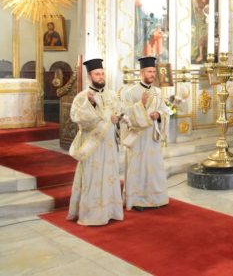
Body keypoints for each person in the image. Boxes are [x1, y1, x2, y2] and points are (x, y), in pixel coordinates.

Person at [67, 58, 124, 226]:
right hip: (93, 146)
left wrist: (117, 119)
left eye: (102, 73)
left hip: (110, 145)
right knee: (92, 179)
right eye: (97, 74)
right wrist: (90, 103)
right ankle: (91, 215)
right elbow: (75, 117)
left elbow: (119, 113)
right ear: (89, 76)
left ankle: (110, 211)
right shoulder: (81, 97)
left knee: (110, 178)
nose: (101, 76)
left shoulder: (112, 95)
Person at [121, 56, 169, 211]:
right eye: (149, 71)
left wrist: (159, 115)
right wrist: (140, 104)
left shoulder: (158, 92)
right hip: (138, 137)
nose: (152, 74)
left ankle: (155, 199)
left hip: (152, 136)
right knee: (138, 168)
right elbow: (125, 114)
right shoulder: (130, 92)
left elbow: (165, 110)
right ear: (141, 73)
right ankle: (137, 201)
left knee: (153, 168)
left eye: (154, 71)